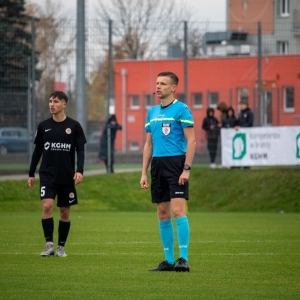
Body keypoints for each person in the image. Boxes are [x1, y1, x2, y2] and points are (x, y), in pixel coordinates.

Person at [140, 71, 196, 272]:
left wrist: (186, 169)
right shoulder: (152, 112)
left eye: (163, 83)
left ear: (173, 88)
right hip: (157, 165)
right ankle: (168, 261)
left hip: (176, 164)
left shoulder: (182, 109)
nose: (158, 86)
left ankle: (183, 259)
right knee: (162, 214)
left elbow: (191, 141)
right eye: (156, 83)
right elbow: (148, 145)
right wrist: (144, 172)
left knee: (178, 211)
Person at [28, 91, 87, 257]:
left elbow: (80, 150)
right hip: (47, 175)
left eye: (55, 101)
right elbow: (37, 150)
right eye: (50, 101)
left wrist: (79, 171)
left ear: (64, 104)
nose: (51, 104)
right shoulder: (43, 126)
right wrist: (31, 173)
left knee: (64, 212)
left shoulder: (74, 126)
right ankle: (49, 244)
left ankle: (61, 246)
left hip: (66, 175)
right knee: (47, 206)